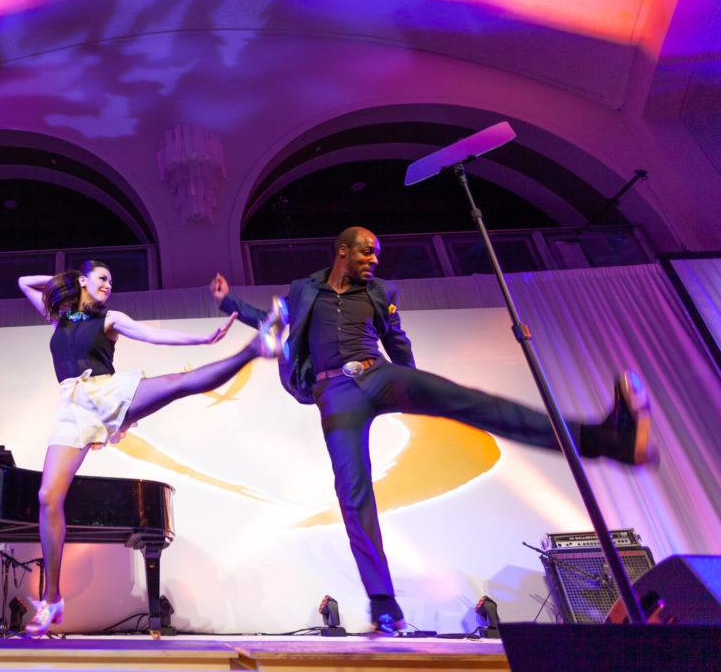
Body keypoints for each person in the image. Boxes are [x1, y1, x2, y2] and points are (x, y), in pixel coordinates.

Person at [210, 226, 653, 633]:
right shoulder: (305, 290)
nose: (375, 259)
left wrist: (416, 388)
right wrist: (229, 303)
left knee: (474, 402)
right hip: (335, 392)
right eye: (367, 251)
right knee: (353, 492)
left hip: (380, 376)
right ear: (342, 252)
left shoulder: (381, 292)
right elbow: (271, 323)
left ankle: (607, 440)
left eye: (378, 253)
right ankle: (384, 605)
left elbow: (398, 343)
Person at [18, 260, 287, 637]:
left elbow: (151, 335)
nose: (108, 285)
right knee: (48, 496)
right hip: (70, 407)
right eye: (101, 278)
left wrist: (201, 340)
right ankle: (53, 598)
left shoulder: (110, 319)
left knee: (177, 383)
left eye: (111, 280)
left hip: (105, 392)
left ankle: (254, 349)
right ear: (83, 280)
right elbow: (24, 280)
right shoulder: (60, 318)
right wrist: (66, 283)